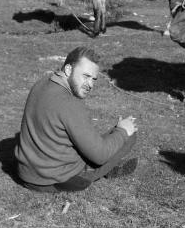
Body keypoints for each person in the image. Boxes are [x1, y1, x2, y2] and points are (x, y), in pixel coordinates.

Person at [14, 46, 138, 192]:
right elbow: (100, 155)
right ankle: (108, 169)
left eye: (93, 79)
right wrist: (123, 131)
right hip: (56, 180)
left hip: (27, 173)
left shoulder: (42, 83)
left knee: (103, 139)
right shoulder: (70, 104)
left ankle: (111, 167)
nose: (90, 84)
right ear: (68, 70)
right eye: (85, 76)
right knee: (129, 135)